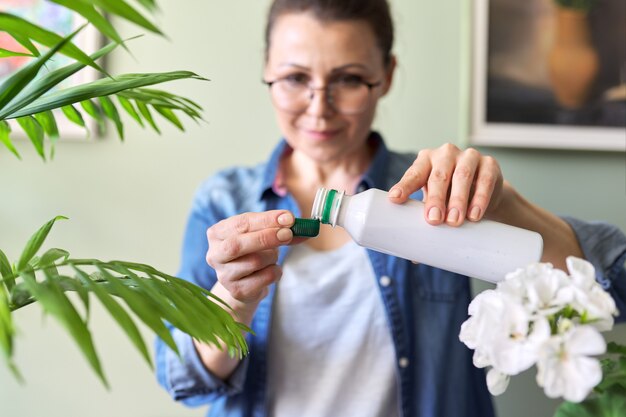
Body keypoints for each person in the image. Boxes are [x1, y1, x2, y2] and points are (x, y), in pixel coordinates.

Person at [155, 1, 626, 416]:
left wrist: (509, 206)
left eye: (349, 79)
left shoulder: (429, 191)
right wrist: (233, 303)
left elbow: (616, 287)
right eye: (296, 78)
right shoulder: (224, 203)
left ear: (387, 76)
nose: (319, 108)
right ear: (267, 70)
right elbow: (183, 377)